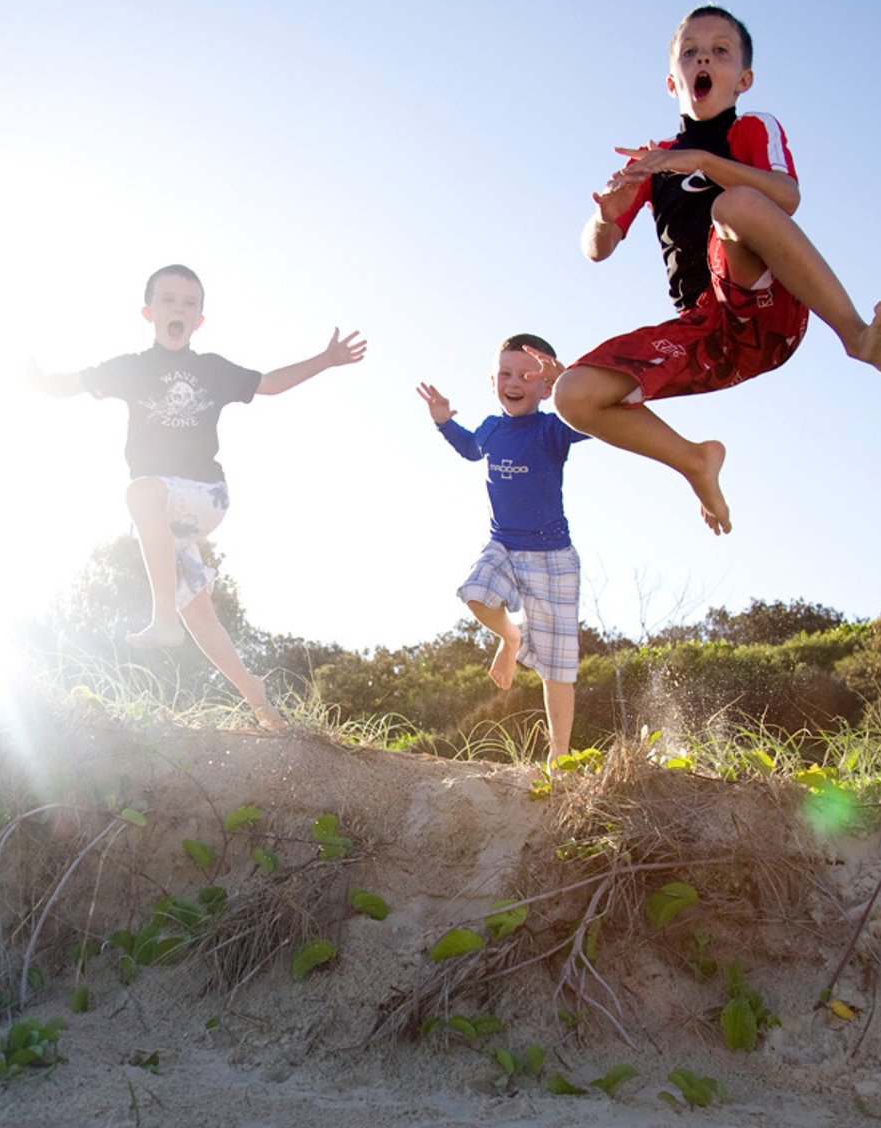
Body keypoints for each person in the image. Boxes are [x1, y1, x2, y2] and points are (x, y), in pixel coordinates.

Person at [546, 4, 881, 537]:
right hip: (707, 337)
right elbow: (595, 250)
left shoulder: (750, 128)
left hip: (766, 309)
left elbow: (786, 197)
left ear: (744, 79)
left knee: (733, 206)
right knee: (572, 394)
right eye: (690, 53)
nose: (703, 58)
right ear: (674, 82)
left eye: (719, 50)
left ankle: (858, 338)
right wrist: (605, 211)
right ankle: (695, 461)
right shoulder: (657, 162)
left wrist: (702, 163)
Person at [29, 263, 366, 729]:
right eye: (168, 300)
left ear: (200, 320)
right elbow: (68, 384)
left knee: (140, 492)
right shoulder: (129, 369)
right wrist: (33, 373)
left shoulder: (211, 370)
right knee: (201, 615)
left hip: (205, 496)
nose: (178, 309)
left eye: (189, 304)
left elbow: (268, 384)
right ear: (148, 312)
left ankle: (162, 616)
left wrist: (325, 360)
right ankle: (262, 705)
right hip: (164, 520)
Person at [418, 334, 590, 765]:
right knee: (474, 594)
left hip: (553, 558)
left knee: (557, 671)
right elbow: (469, 449)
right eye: (506, 374)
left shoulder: (552, 429)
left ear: (545, 387)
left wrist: (569, 379)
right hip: (504, 545)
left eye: (527, 376)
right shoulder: (492, 429)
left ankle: (560, 757)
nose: (514, 383)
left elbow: (593, 418)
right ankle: (511, 636)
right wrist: (443, 422)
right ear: (493, 380)